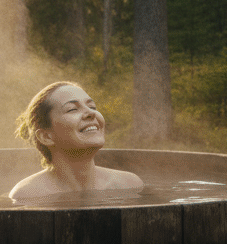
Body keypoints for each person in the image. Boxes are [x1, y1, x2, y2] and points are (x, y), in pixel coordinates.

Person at [8, 81, 143, 200]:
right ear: (46, 137)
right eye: (72, 109)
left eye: (92, 107)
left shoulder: (130, 184)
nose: (91, 113)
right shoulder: (27, 196)